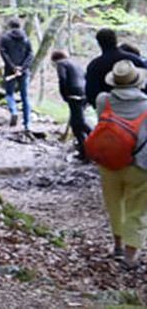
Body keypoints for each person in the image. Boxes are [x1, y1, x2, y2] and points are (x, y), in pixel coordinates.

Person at [93, 60, 147, 267]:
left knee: (115, 204)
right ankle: (131, 255)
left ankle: (117, 245)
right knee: (138, 209)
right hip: (141, 165)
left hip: (110, 161)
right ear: (138, 83)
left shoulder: (103, 100)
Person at [86, 28, 147, 107]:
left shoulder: (94, 66)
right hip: (137, 107)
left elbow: (91, 93)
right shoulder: (134, 60)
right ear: (116, 40)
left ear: (99, 43)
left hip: (108, 110)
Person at [52, 49, 91, 160]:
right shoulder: (76, 63)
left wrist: (64, 95)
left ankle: (96, 137)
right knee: (76, 123)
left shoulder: (61, 64)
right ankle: (84, 151)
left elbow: (62, 79)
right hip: (84, 93)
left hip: (74, 94)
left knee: (79, 123)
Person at [0, 18, 34, 129]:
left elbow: (3, 53)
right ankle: (27, 124)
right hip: (24, 71)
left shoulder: (4, 38)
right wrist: (23, 68)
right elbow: (31, 54)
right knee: (25, 97)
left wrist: (13, 67)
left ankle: (13, 111)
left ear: (10, 26)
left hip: (10, 71)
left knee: (9, 94)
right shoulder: (26, 38)